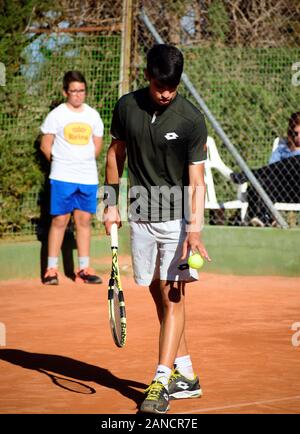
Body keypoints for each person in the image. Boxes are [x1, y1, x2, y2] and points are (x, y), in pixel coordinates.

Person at [103, 44, 211, 414]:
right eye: (160, 85)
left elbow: (197, 180)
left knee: (174, 294)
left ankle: (161, 380)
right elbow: (115, 155)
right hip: (139, 215)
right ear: (148, 75)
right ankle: (186, 374)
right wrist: (109, 204)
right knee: (156, 291)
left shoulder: (191, 119)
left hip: (177, 219)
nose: (166, 92)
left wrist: (195, 230)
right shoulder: (126, 107)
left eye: (173, 86)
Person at [40, 70, 103, 285]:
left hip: (87, 178)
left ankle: (84, 269)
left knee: (84, 221)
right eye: (74, 91)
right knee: (59, 220)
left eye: (82, 91)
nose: (78, 95)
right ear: (65, 92)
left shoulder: (93, 115)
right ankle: (51, 270)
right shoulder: (57, 115)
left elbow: (97, 145)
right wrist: (61, 164)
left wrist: (81, 162)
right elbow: (45, 145)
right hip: (62, 177)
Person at [231, 111, 300, 226]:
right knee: (262, 181)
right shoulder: (282, 148)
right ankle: (263, 218)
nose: (297, 137)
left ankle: (250, 174)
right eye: (295, 133)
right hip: (284, 189)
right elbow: (272, 170)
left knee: (296, 161)